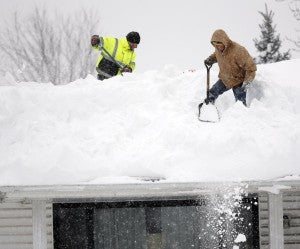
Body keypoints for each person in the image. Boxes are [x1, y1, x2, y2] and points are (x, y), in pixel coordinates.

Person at [204, 29, 257, 106]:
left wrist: (246, 83)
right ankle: (208, 106)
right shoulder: (218, 50)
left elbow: (251, 68)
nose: (217, 48)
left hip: (239, 81)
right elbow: (216, 55)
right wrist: (210, 59)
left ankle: (242, 114)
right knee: (212, 93)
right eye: (215, 45)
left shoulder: (238, 51)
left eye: (219, 45)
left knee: (240, 103)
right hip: (225, 79)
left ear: (224, 42)